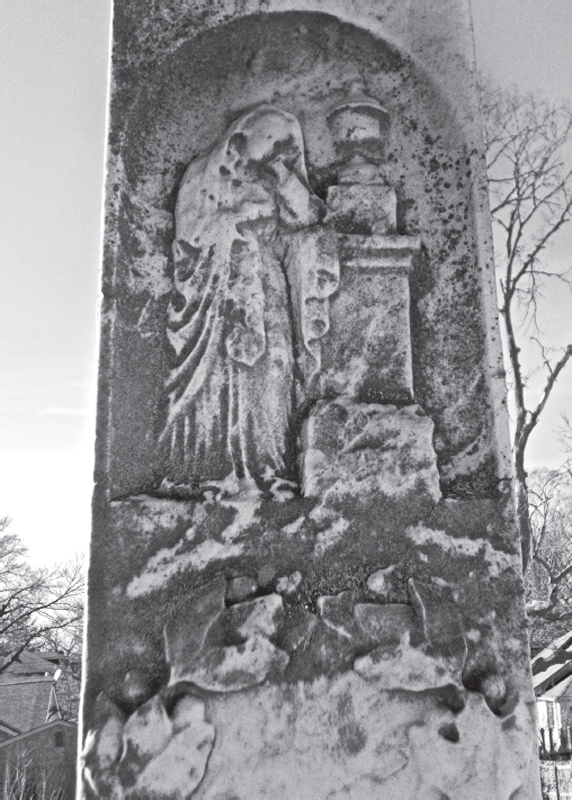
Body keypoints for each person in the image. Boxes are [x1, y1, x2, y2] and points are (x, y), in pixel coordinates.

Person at [158, 105, 339, 497]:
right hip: (217, 296)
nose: (281, 153)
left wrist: (284, 179)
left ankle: (269, 467)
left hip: (267, 290)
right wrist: (237, 225)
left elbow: (312, 222)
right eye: (273, 144)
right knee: (219, 379)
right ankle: (208, 468)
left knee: (273, 370)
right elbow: (188, 239)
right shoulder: (202, 176)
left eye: (287, 147)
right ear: (243, 138)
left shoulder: (280, 179)